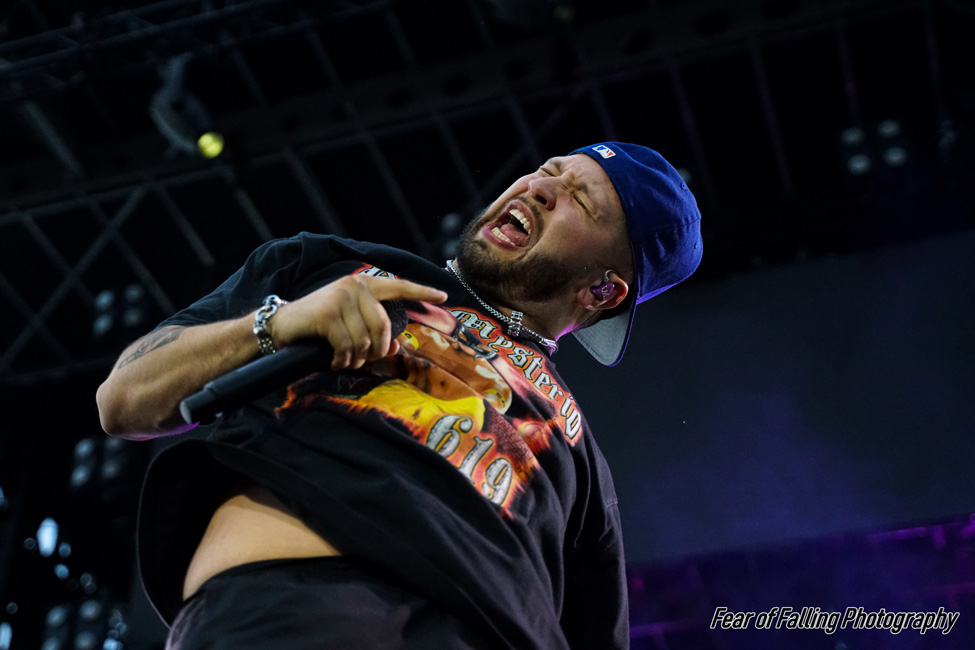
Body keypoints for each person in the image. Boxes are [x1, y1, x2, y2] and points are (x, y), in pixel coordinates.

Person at [96, 142, 702, 650]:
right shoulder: (335, 269)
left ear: (602, 291)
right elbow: (122, 399)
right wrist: (279, 324)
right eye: (549, 170)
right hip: (286, 612)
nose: (543, 188)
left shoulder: (582, 461)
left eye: (580, 200)